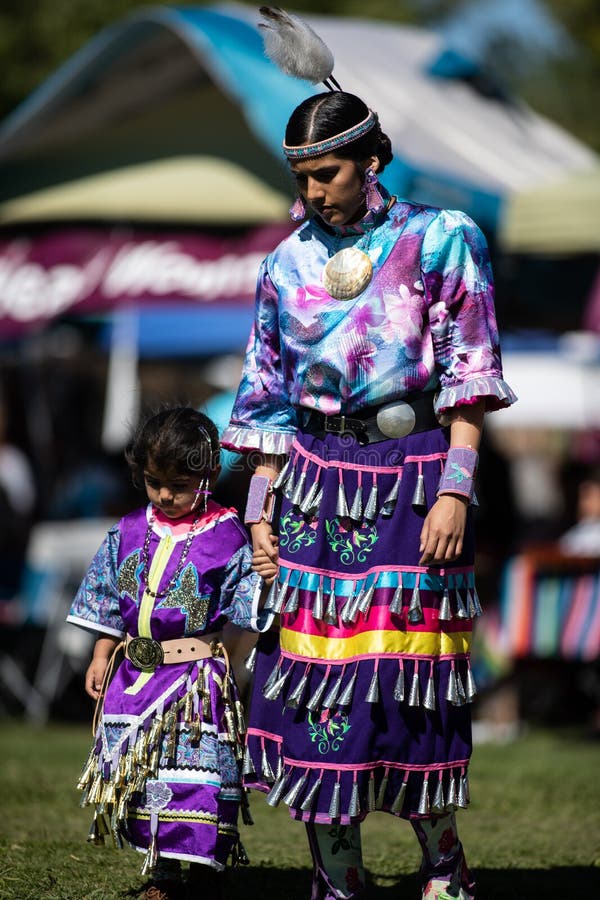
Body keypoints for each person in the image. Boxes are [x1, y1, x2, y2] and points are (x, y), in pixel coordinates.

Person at [221, 9, 517, 900]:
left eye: (327, 172)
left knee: (405, 681)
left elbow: (470, 380)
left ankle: (442, 865)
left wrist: (456, 492)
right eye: (301, 177)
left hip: (412, 479)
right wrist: (259, 513)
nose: (312, 191)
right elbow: (268, 401)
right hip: (311, 487)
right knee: (317, 690)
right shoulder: (283, 268)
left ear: (371, 160)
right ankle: (336, 879)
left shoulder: (441, 240)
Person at [67, 407, 275, 900]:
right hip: (133, 680)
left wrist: (269, 575)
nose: (164, 495)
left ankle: (202, 869)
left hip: (193, 682)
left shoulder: (227, 535)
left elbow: (248, 607)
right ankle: (162, 874)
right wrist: (101, 654)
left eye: (178, 485)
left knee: (194, 775)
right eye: (154, 482)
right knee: (148, 777)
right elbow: (104, 600)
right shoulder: (128, 531)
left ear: (206, 475)